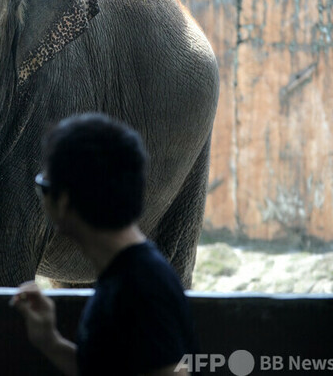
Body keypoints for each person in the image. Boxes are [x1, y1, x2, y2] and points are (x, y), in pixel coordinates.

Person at [10, 113, 196, 376]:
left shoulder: (140, 287)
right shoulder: (127, 275)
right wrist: (50, 341)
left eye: (44, 186)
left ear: (63, 202)